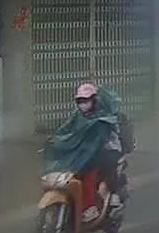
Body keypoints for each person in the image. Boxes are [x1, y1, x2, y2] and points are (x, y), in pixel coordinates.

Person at [45, 82, 127, 212]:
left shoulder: (103, 116)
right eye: (79, 101)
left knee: (93, 171)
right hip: (84, 149)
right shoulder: (77, 114)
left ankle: (97, 203)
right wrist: (55, 140)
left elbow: (101, 137)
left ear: (93, 99)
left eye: (85, 100)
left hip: (106, 148)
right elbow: (65, 129)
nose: (82, 104)